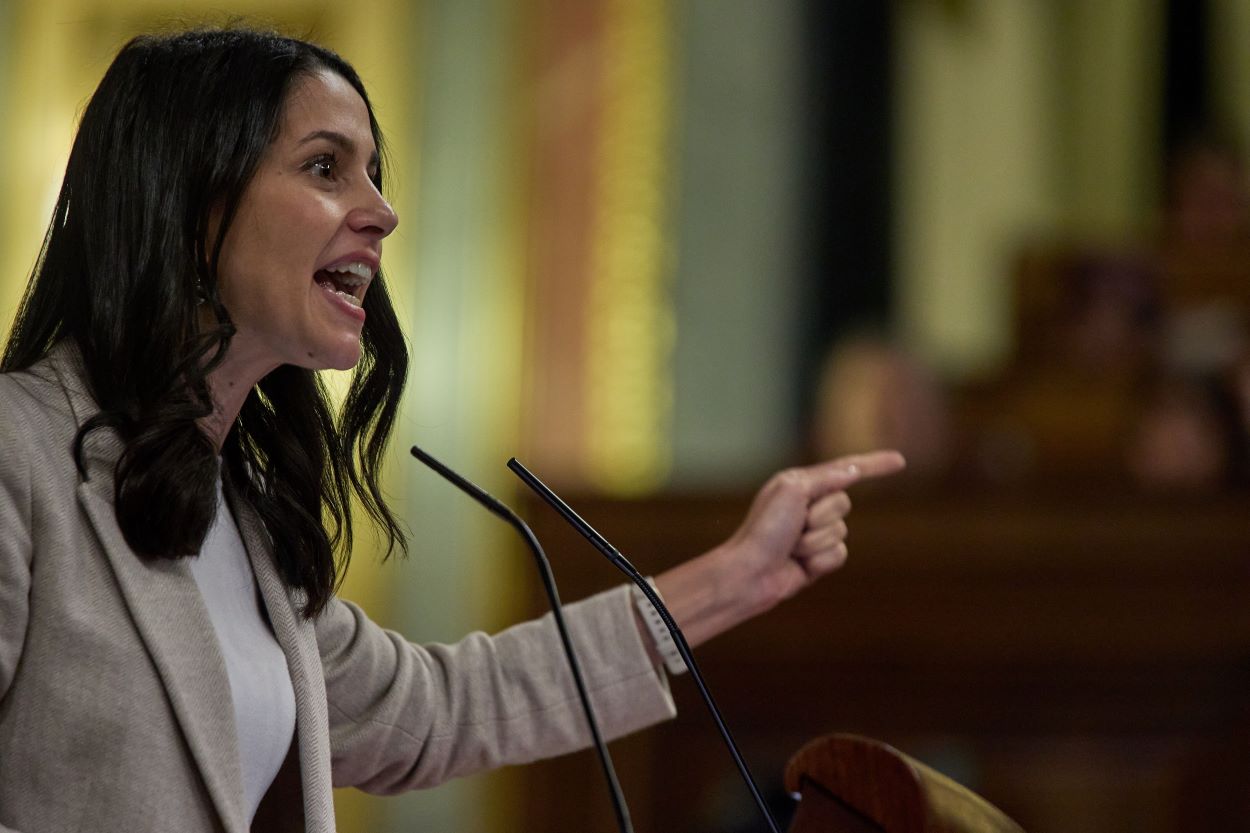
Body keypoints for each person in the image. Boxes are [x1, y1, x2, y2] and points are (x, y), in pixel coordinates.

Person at [0, 28, 904, 833]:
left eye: (374, 174)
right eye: (325, 167)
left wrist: (737, 574)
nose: (382, 212)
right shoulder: (19, 452)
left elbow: (442, 705)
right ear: (190, 201)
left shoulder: (244, 515)